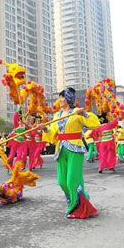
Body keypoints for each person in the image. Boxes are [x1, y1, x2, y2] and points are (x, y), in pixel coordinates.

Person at [43, 87, 99, 219]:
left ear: (68, 99)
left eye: (62, 97)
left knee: (72, 181)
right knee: (62, 181)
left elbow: (94, 123)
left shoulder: (76, 112)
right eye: (60, 97)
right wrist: (45, 128)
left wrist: (84, 114)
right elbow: (52, 135)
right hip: (61, 149)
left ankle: (76, 207)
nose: (60, 100)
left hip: (75, 148)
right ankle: (76, 201)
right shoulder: (57, 116)